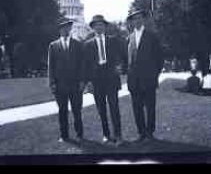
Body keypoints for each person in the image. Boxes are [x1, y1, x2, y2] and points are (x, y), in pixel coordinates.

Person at [83, 15, 123, 147]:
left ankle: (118, 135)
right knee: (101, 109)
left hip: (111, 78)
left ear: (105, 26)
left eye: (101, 24)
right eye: (96, 25)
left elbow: (120, 56)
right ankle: (106, 134)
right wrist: (88, 82)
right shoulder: (87, 45)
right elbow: (86, 65)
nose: (99, 27)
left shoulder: (113, 40)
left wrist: (119, 65)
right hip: (96, 80)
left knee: (114, 108)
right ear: (93, 28)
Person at [127, 10, 164, 141]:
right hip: (134, 80)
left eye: (139, 18)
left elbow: (160, 58)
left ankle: (150, 133)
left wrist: (155, 74)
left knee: (150, 108)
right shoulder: (130, 37)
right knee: (137, 108)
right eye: (134, 19)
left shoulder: (152, 36)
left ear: (143, 20)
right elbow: (130, 59)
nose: (137, 21)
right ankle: (141, 133)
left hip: (149, 79)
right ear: (131, 22)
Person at [48, 20, 85, 143]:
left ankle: (79, 134)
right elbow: (51, 66)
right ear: (59, 29)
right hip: (60, 84)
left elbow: (81, 65)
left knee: (77, 110)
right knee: (62, 111)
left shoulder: (78, 44)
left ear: (70, 29)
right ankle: (64, 135)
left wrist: (82, 81)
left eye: (67, 27)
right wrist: (52, 82)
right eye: (63, 28)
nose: (65, 30)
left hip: (75, 84)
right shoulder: (53, 45)